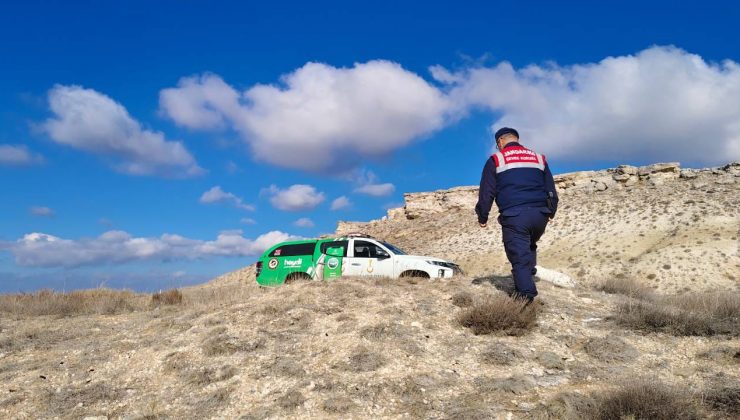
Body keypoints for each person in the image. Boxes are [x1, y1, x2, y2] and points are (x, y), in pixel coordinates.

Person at [475, 127, 558, 303]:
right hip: (540, 215)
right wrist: (551, 210)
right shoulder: (538, 158)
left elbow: (486, 192)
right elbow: (550, 187)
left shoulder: (496, 159)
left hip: (515, 214)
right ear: (517, 139)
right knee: (529, 244)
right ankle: (529, 273)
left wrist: (483, 216)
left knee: (518, 253)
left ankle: (525, 297)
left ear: (500, 142)